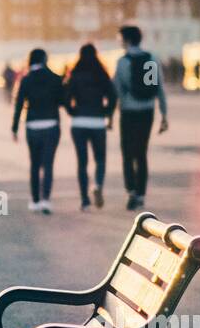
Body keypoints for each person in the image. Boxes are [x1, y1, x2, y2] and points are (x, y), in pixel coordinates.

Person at [114, 25, 168, 211]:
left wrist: (112, 114)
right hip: (147, 111)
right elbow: (157, 88)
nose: (119, 41)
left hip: (128, 112)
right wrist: (164, 114)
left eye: (120, 38)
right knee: (141, 152)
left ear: (127, 40)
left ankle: (130, 191)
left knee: (127, 153)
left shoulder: (122, 62)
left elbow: (118, 91)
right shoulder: (151, 59)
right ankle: (141, 194)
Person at [63, 43, 117, 211]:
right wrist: (106, 112)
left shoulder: (75, 74)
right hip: (97, 121)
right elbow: (113, 96)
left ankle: (85, 200)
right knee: (100, 159)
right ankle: (98, 185)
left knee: (82, 162)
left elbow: (66, 96)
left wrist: (72, 110)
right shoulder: (101, 74)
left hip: (79, 122)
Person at [12, 48, 63, 213]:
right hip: (51, 124)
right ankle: (46, 200)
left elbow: (19, 104)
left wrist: (14, 127)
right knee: (48, 164)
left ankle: (34, 200)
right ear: (45, 60)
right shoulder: (54, 78)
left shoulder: (26, 79)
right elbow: (62, 99)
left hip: (32, 126)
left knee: (34, 164)